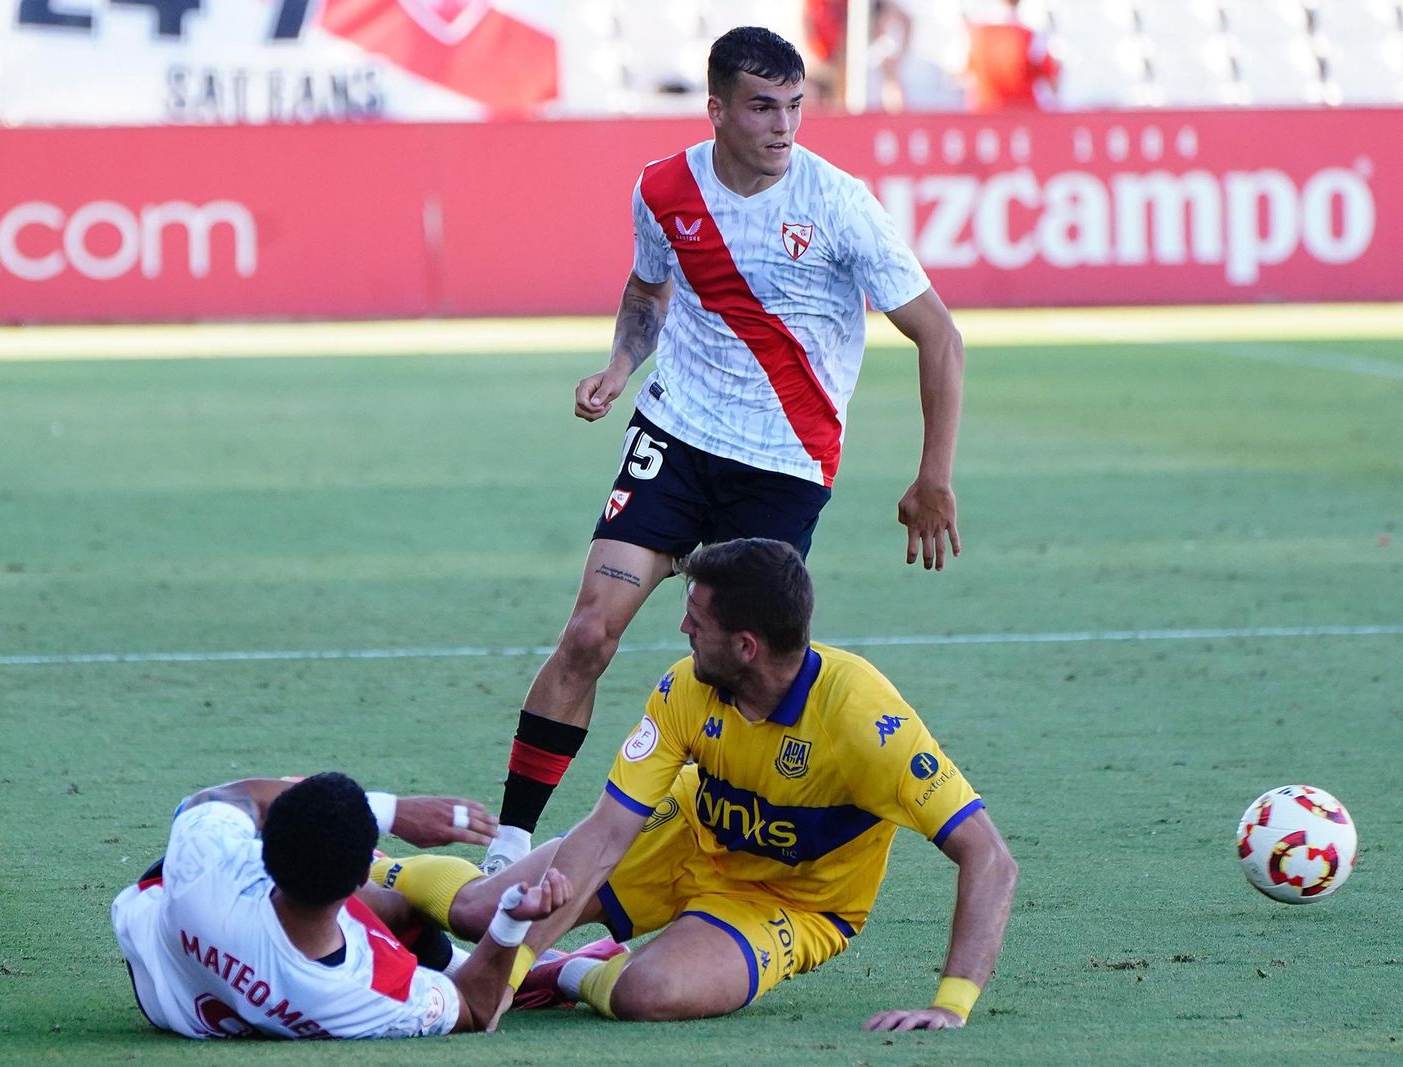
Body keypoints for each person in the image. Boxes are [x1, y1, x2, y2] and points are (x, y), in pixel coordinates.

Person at [485, 24, 967, 876]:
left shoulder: (837, 203)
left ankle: (689, 852)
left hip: (782, 467)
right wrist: (621, 367)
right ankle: (510, 841)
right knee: (592, 630)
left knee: (740, 673)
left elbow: (939, 335)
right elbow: (647, 288)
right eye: (762, 107)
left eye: (794, 105)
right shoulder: (665, 187)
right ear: (716, 110)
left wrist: (933, 477)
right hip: (677, 435)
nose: (783, 126)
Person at [391, 539, 1016, 1030]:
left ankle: (568, 976)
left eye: (696, 620)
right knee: (480, 912)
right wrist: (505, 964)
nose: (684, 630)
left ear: (746, 646)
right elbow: (607, 832)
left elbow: (989, 856)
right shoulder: (683, 688)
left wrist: (951, 1005)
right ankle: (374, 869)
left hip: (791, 903)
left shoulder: (864, 722)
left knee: (646, 993)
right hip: (682, 836)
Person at [111, 773, 573, 1039]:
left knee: (334, 843)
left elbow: (219, 800)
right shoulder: (365, 988)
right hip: (243, 968)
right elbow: (476, 1008)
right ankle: (543, 973)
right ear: (356, 880)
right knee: (402, 907)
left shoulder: (206, 866)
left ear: (264, 851)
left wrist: (386, 811)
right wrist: (510, 922)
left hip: (163, 955)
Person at [965, 0, 1060, 111]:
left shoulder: (975, 35)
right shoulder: (1031, 36)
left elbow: (962, 73)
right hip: (1025, 115)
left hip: (985, 113)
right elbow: (1052, 79)